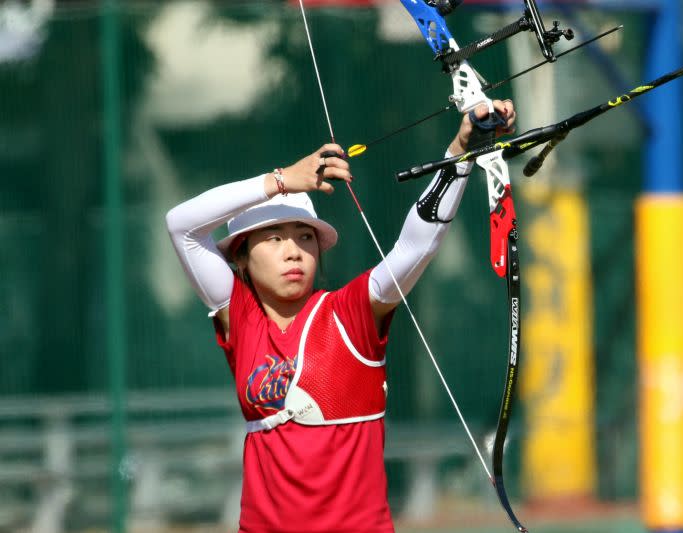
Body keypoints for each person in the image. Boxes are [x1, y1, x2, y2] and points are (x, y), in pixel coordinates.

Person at [165, 99, 516, 533]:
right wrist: (281, 182)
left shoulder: (349, 314)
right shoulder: (240, 318)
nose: (293, 250)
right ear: (241, 257)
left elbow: (414, 248)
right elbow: (180, 225)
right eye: (273, 238)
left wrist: (460, 153)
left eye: (304, 236)